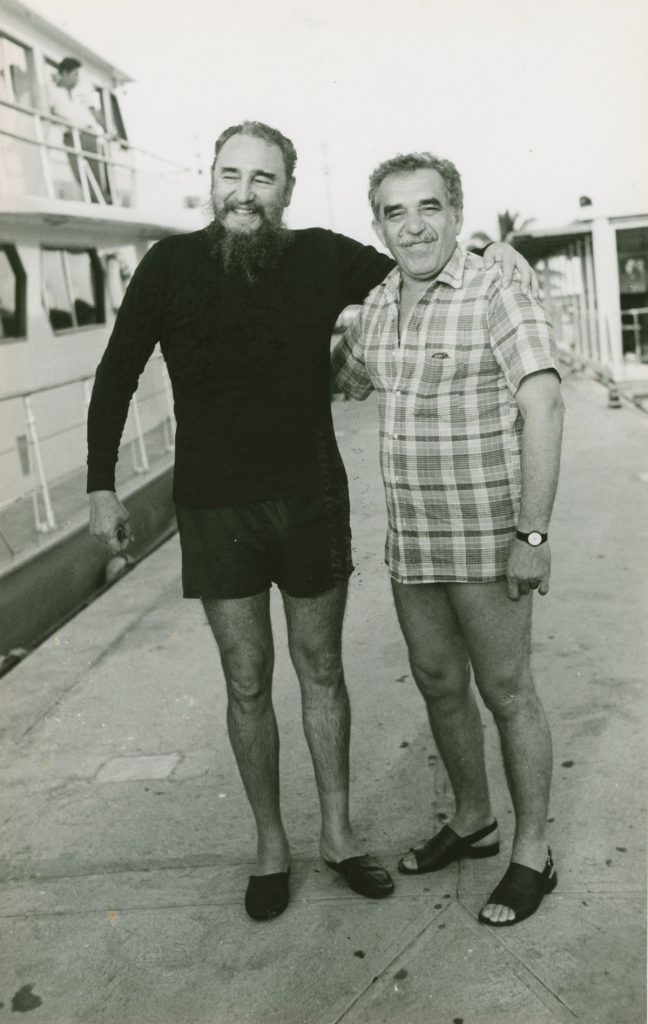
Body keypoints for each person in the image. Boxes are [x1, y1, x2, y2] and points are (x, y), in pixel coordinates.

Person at [86, 122, 536, 921]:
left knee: (321, 671)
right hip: (212, 504)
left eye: (265, 178)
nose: (246, 192)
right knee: (246, 679)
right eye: (233, 174)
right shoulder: (168, 265)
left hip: (310, 499)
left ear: (287, 190)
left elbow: (419, 258)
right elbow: (117, 373)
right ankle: (269, 845)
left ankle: (337, 835)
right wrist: (99, 486)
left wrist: (499, 254)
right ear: (211, 179)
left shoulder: (325, 254)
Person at [332, 151, 563, 927]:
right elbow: (344, 375)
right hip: (414, 545)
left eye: (428, 207)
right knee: (438, 684)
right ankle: (473, 818)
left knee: (506, 693)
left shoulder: (497, 284)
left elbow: (544, 404)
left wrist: (532, 531)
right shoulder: (379, 303)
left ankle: (533, 850)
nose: (414, 225)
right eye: (395, 213)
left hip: (488, 536)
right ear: (379, 227)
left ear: (456, 214)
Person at [51, 57, 110, 201]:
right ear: (64, 73)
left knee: (98, 174)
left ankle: (102, 202)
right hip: (70, 136)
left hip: (89, 134)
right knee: (80, 174)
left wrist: (108, 130)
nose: (77, 78)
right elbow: (52, 113)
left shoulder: (83, 89)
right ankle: (100, 202)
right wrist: (65, 122)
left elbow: (93, 111)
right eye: (74, 74)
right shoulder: (53, 92)